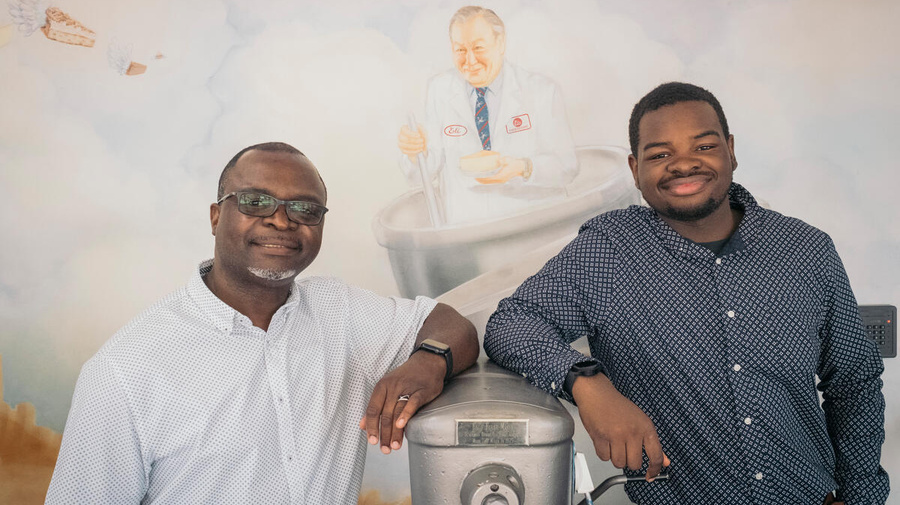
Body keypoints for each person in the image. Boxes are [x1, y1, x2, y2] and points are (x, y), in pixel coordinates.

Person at [483, 83, 888, 504]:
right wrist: (588, 385)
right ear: (635, 169)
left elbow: (855, 382)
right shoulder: (609, 250)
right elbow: (510, 325)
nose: (683, 165)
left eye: (704, 146)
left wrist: (861, 496)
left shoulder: (805, 250)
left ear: (730, 150)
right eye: (660, 155)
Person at [45, 142, 479, 504]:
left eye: (305, 208)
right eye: (256, 201)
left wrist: (429, 362)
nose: (281, 219)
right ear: (216, 216)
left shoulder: (341, 313)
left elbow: (452, 326)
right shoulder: (126, 370)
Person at [397, 5, 578, 224]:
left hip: (532, 226)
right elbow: (421, 175)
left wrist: (523, 168)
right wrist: (416, 153)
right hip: (469, 232)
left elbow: (566, 167)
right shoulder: (440, 90)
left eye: (478, 48)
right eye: (460, 50)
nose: (470, 61)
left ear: (500, 43)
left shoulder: (541, 91)